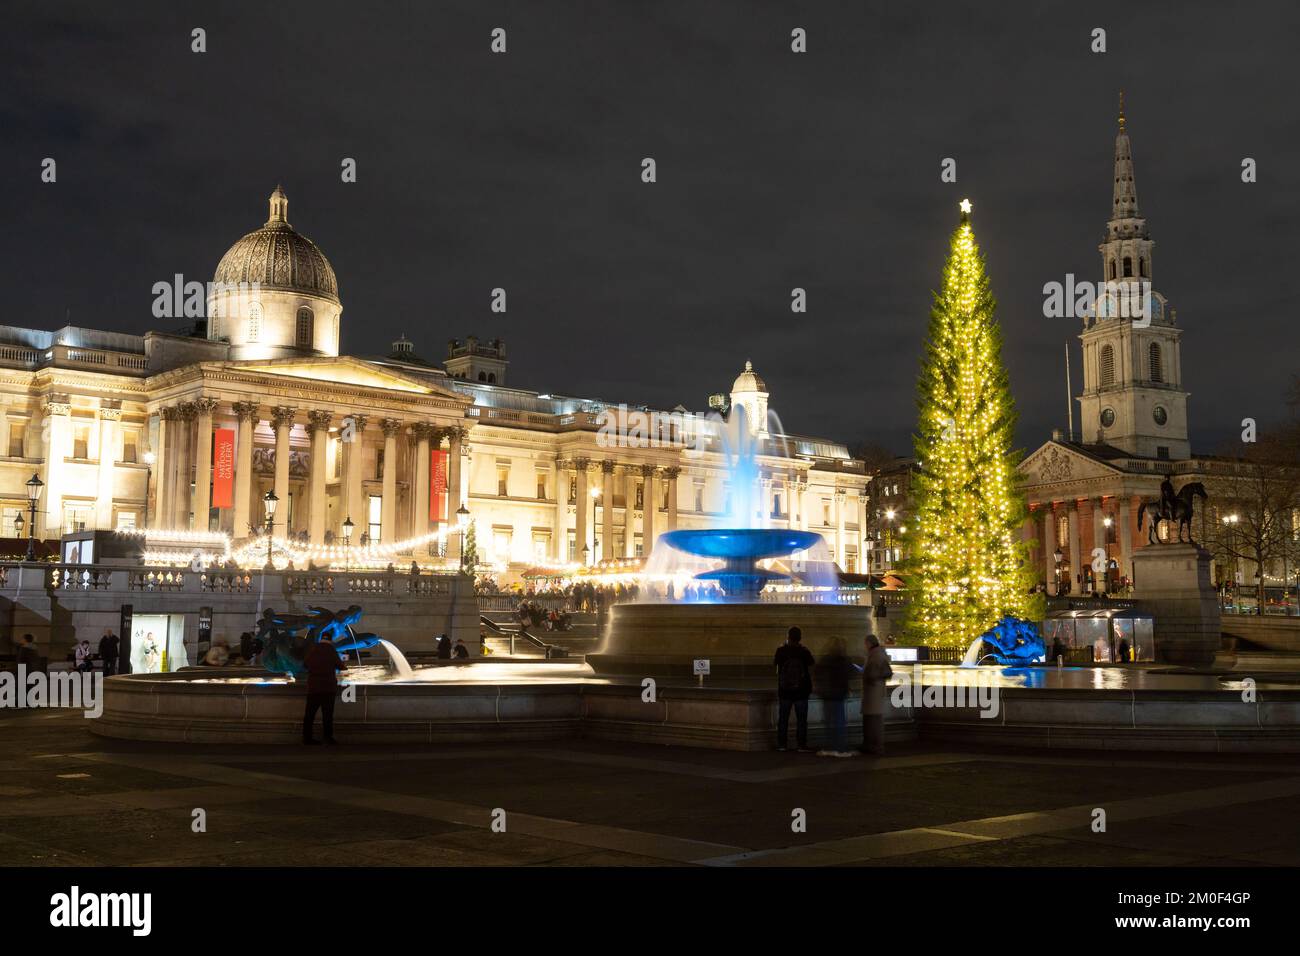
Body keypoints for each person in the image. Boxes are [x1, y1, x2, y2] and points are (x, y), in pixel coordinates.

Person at [773, 626, 815, 752]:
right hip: (801, 691)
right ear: (800, 638)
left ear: (788, 637)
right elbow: (812, 664)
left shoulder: (781, 650)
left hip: (785, 690)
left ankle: (782, 744)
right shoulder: (804, 651)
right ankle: (801, 744)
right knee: (801, 719)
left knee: (783, 718)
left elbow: (775, 664)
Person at [814, 636, 856, 757]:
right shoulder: (844, 659)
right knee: (839, 722)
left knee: (829, 722)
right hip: (839, 695)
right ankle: (840, 747)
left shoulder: (825, 659)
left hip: (827, 695)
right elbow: (852, 673)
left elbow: (817, 674)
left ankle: (831, 746)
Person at [302, 638, 347, 745]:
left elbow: (305, 665)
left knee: (309, 715)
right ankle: (327, 738)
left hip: (313, 688)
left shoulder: (312, 649)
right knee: (327, 715)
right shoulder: (331, 650)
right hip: (328, 688)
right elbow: (341, 667)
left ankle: (307, 738)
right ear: (330, 641)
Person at [861, 634, 892, 756]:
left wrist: (866, 674)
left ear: (869, 643)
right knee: (873, 720)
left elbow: (873, 672)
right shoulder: (879, 653)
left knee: (874, 721)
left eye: (865, 643)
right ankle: (872, 745)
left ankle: (875, 746)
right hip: (875, 693)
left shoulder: (875, 655)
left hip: (873, 692)